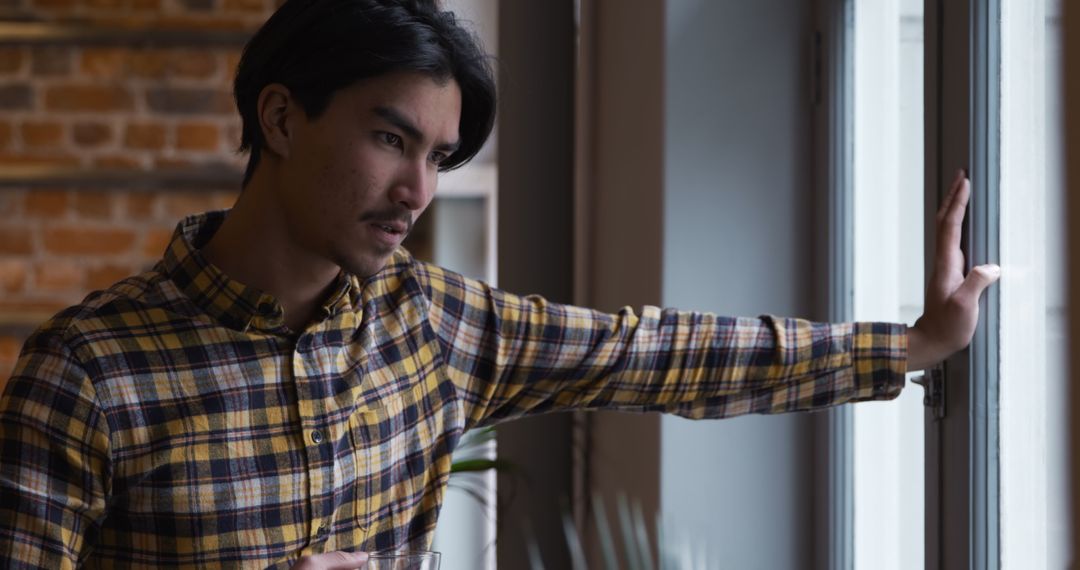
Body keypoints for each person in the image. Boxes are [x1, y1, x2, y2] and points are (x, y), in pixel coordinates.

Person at [0, 0, 1000, 568]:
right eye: (391, 139)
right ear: (281, 118)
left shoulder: (436, 326)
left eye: (437, 157)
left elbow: (658, 352)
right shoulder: (90, 373)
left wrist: (910, 348)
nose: (416, 192)